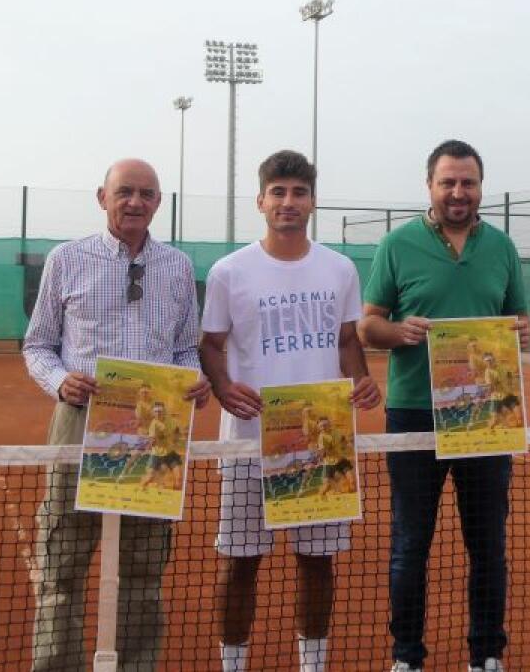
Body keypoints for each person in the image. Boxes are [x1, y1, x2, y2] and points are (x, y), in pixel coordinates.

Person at [23, 158, 210, 672]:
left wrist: (194, 379)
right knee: (63, 565)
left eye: (146, 194)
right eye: (124, 191)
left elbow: (184, 350)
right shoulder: (67, 259)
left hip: (155, 429)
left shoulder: (177, 266)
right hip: (80, 422)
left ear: (158, 202)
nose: (135, 202)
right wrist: (61, 380)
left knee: (145, 570)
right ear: (101, 197)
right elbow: (37, 345)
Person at [200, 150, 381, 672]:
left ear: (312, 202)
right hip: (247, 440)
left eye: (298, 192)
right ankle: (233, 665)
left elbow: (348, 340)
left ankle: (313, 665)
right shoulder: (229, 272)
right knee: (240, 562)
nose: (288, 201)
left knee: (317, 563)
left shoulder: (340, 268)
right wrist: (224, 387)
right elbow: (211, 344)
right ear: (260, 201)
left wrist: (362, 379)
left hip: (318, 439)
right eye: (277, 192)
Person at [358, 139, 530, 672]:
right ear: (430, 186)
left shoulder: (502, 248)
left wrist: (523, 332)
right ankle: (407, 656)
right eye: (448, 182)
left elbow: (520, 322)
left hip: (486, 413)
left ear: (480, 187)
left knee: (488, 546)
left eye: (468, 182)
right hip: (413, 414)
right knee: (411, 544)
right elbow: (368, 324)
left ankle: (486, 655)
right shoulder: (398, 245)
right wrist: (397, 330)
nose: (459, 192)